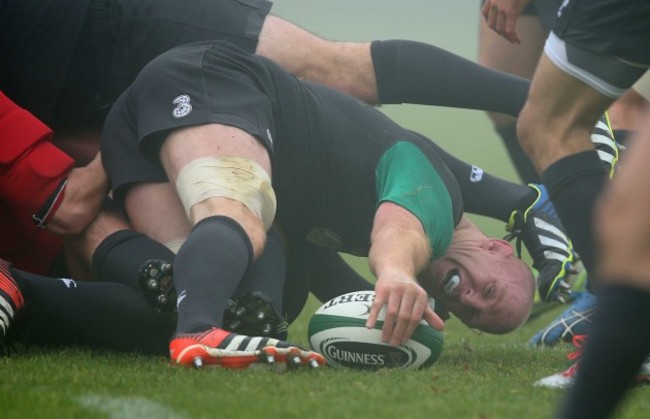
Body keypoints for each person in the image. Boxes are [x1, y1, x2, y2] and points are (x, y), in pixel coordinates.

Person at [96, 39, 553, 369]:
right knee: (238, 212)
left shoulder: (400, 224)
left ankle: (30, 292)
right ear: (497, 248)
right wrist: (393, 273)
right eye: (487, 292)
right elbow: (399, 232)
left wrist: (381, 328)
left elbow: (343, 291)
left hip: (146, 122)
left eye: (473, 315)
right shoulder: (438, 197)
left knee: (194, 288)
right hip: (213, 83)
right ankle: (197, 331)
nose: (468, 300)